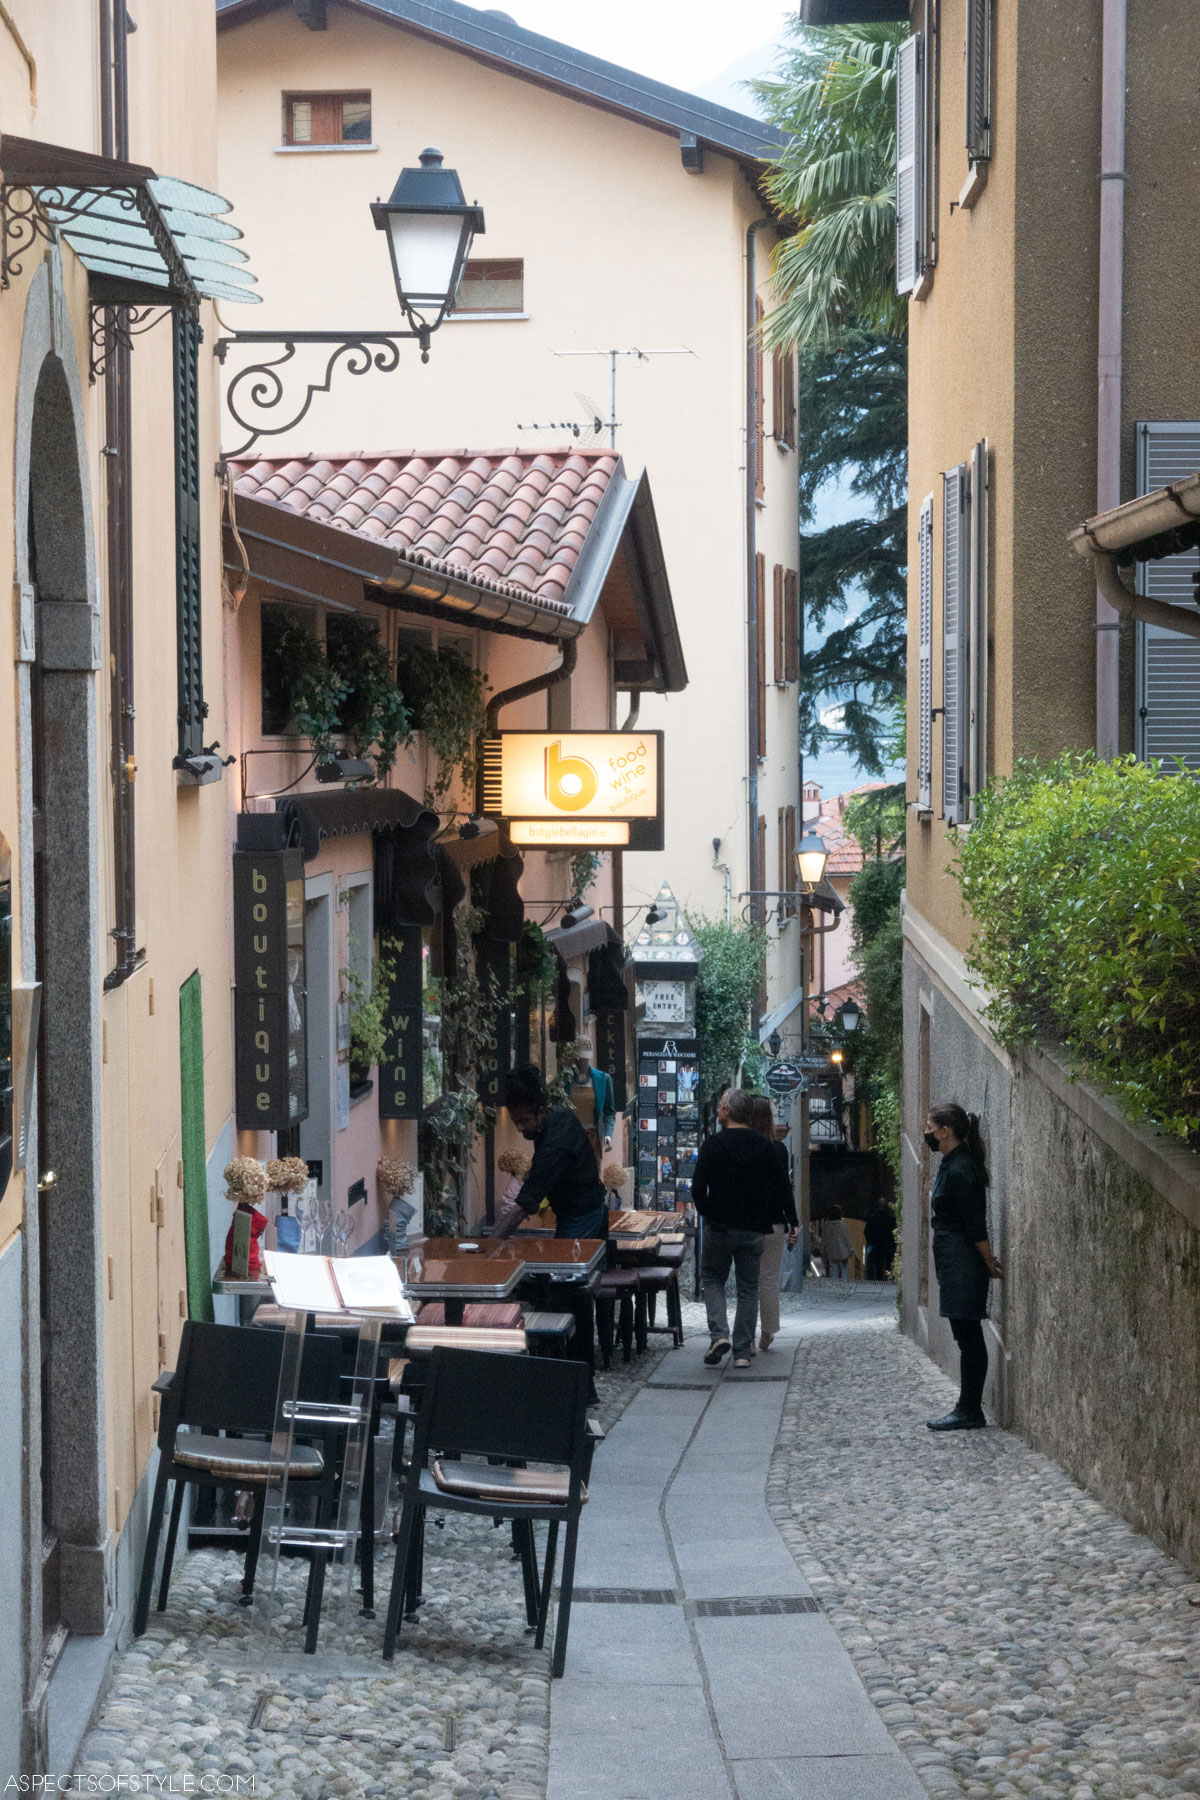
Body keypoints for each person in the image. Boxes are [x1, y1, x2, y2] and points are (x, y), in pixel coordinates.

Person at [496, 1065, 609, 1396]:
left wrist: (489, 1243)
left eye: (524, 1121)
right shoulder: (561, 1116)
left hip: (582, 1219)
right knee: (574, 1297)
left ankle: (573, 1383)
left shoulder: (553, 1145)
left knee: (569, 1298)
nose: (520, 1128)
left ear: (540, 1110)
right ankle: (576, 1382)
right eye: (515, 1122)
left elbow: (525, 1203)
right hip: (586, 1212)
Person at [692, 1088, 793, 1369]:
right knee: (748, 1288)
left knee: (713, 1279)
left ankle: (719, 1335)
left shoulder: (714, 1143)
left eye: (721, 1106)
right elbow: (781, 1187)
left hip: (720, 1226)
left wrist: (709, 1214)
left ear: (727, 1111)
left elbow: (698, 1188)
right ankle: (742, 1352)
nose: (718, 1110)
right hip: (753, 1227)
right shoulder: (764, 1146)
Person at [925, 1103, 1004, 1431]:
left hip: (963, 1260)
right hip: (953, 1257)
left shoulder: (961, 1169)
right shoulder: (952, 1164)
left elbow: (975, 1223)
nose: (926, 1133)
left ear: (944, 1131)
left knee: (968, 1335)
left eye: (929, 1128)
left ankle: (969, 1409)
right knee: (964, 1334)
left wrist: (987, 1260)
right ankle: (967, 1408)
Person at [748, 1095, 798, 1351]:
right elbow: (784, 1189)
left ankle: (746, 1338)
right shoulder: (778, 1149)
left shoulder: (743, 1148)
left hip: (746, 1222)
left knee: (748, 1282)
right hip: (774, 1223)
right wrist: (793, 1221)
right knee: (768, 1280)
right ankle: (767, 1332)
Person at [569, 1041, 618, 1158]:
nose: (581, 1062)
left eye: (584, 1059)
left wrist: (608, 1134)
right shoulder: (566, 1079)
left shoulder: (603, 1079)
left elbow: (609, 1111)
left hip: (592, 1136)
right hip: (570, 1136)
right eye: (578, 1059)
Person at [864, 1199, 897, 1281]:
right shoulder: (891, 1218)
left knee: (878, 1264)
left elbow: (866, 1231)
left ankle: (878, 1280)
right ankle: (889, 1279)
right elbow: (895, 1230)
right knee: (889, 1263)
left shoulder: (872, 1217)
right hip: (889, 1244)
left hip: (877, 1245)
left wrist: (870, 1241)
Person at [820, 1207, 852, 1280]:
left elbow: (824, 1240)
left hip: (832, 1250)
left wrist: (822, 1250)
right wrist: (850, 1249)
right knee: (844, 1268)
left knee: (834, 1267)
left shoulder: (826, 1226)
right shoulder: (843, 1225)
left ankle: (834, 1283)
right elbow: (847, 1238)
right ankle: (844, 1283)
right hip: (843, 1250)